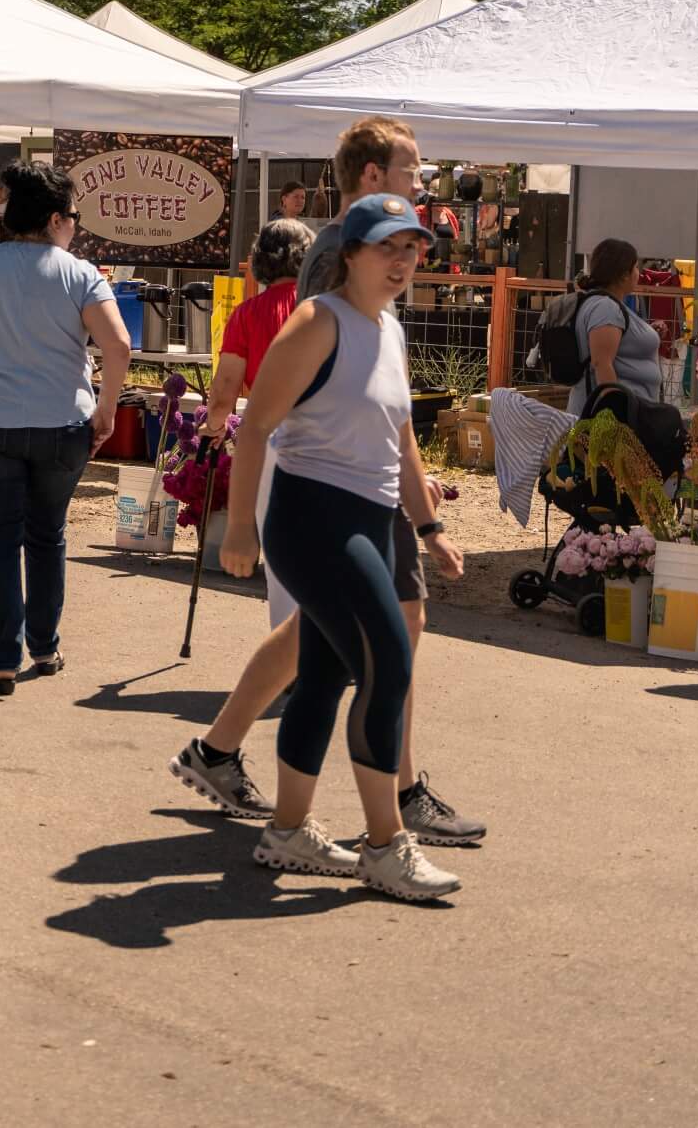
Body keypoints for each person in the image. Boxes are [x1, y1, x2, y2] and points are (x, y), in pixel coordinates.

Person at [171, 116, 485, 848]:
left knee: (321, 643)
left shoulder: (381, 271)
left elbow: (387, 396)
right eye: (410, 171)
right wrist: (246, 521)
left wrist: (417, 496)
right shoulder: (334, 272)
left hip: (364, 485)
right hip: (327, 486)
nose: (419, 184)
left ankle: (230, 760)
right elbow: (280, 402)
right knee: (381, 641)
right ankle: (394, 808)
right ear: (372, 178)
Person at [220, 193, 466, 902]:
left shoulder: (386, 328)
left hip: (365, 516)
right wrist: (240, 526)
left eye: (412, 247)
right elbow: (256, 426)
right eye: (387, 246)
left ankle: (289, 830)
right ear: (349, 254)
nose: (402, 260)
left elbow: (401, 438)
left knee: (327, 676)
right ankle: (387, 845)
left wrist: (430, 528)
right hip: (311, 517)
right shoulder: (316, 322)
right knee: (387, 662)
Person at [0, 162, 131, 695]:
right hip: (62, 423)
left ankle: (2, 660)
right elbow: (117, 347)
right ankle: (44, 647)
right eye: (72, 216)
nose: (75, 225)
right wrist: (108, 408)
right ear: (53, 219)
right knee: (48, 535)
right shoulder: (80, 273)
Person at [197, 218, 315, 439]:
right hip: (332, 437)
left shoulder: (247, 314)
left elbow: (225, 387)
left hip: (273, 436)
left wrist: (213, 427)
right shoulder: (327, 307)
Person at [567, 238, 664, 415]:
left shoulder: (605, 305)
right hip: (600, 425)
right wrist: (614, 414)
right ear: (623, 274)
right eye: (635, 267)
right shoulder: (605, 308)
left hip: (600, 419)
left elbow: (618, 345)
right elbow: (601, 362)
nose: (639, 273)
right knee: (576, 442)